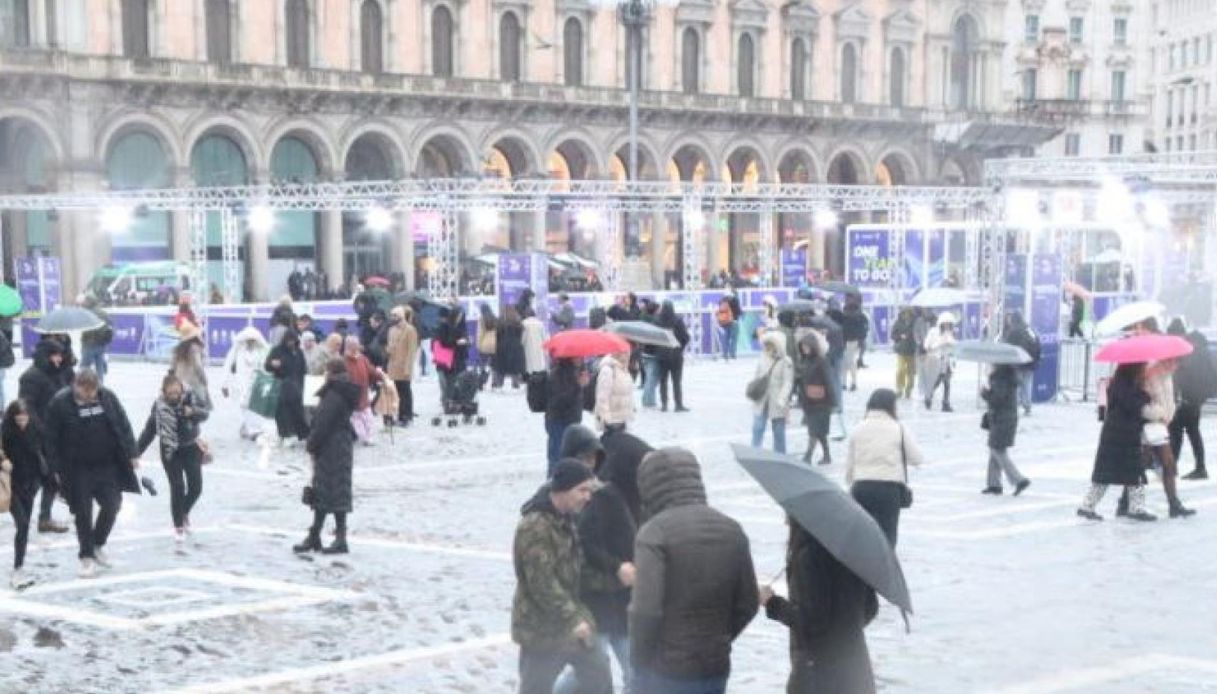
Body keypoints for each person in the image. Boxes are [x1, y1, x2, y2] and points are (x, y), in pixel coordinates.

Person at [630, 448, 758, 694]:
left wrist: (640, 659)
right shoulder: (731, 529)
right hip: (715, 665)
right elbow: (748, 603)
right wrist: (720, 639)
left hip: (665, 669)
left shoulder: (654, 533)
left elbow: (645, 610)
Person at [511, 460, 611, 694]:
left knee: (599, 678)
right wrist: (574, 619)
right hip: (542, 631)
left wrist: (615, 579)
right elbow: (542, 584)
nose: (588, 497)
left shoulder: (566, 519)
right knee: (536, 688)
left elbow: (578, 569)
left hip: (572, 626)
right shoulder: (534, 527)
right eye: (582, 490)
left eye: (590, 490)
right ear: (563, 489)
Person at [555, 425, 638, 694]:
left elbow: (628, 538)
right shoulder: (560, 501)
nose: (589, 464)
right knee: (592, 673)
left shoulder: (608, 493)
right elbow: (579, 545)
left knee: (634, 671)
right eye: (584, 458)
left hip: (620, 598)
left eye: (593, 458)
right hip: (592, 600)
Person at [760, 518, 880, 694]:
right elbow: (871, 608)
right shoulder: (852, 552)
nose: (785, 522)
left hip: (816, 672)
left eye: (788, 516)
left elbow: (812, 622)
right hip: (855, 668)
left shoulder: (807, 556)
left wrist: (772, 603)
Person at [43, 369, 140, 578]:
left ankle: (97, 543)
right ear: (75, 385)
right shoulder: (60, 403)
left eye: (92, 391)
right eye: (84, 391)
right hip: (77, 468)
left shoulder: (107, 397)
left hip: (107, 465)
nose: (89, 396)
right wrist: (54, 469)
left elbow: (123, 424)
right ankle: (86, 556)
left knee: (113, 504)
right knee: (83, 512)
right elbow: (49, 439)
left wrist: (132, 453)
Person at [136, 373, 210, 548]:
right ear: (164, 392)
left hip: (191, 447)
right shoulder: (159, 407)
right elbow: (149, 430)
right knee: (177, 487)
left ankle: (183, 512)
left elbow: (205, 413)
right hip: (170, 450)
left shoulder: (190, 398)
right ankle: (178, 526)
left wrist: (192, 412)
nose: (175, 396)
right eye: (171, 394)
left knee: (196, 487)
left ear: (182, 390)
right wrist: (136, 452)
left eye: (177, 392)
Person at [294, 359, 360, 555]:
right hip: (341, 446)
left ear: (331, 373)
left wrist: (311, 444)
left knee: (326, 491)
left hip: (330, 448)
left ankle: (334, 539)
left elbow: (322, 424)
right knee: (334, 492)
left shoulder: (333, 395)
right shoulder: (343, 391)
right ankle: (320, 535)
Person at [1077, 363, 1157, 522]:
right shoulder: (1124, 387)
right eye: (1141, 368)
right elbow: (1133, 404)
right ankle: (1136, 508)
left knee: (1109, 474)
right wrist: (1146, 395)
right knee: (1134, 472)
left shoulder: (1120, 384)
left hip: (1115, 435)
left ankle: (1087, 506)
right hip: (1123, 436)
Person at [846, 389, 925, 546]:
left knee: (862, 536)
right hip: (888, 490)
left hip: (861, 487)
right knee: (887, 537)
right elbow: (917, 458)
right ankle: (884, 569)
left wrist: (852, 484)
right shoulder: (898, 428)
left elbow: (850, 464)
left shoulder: (858, 428)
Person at [18, 337, 73, 534]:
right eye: (56, 355)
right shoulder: (31, 376)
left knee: (50, 478)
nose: (59, 359)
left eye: (60, 355)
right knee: (34, 480)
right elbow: (26, 406)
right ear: (47, 355)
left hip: (55, 436)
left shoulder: (57, 374)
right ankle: (24, 516)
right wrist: (40, 428)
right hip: (37, 437)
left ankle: (44, 518)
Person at [1138, 358, 1195, 518]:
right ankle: (1127, 502)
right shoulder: (1148, 374)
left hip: (1161, 424)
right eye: (1172, 362)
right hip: (1149, 423)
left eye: (1176, 363)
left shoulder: (1168, 376)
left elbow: (1168, 400)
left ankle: (1173, 504)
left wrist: (1169, 413)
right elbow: (1140, 402)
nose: (1175, 366)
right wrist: (1158, 413)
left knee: (1165, 464)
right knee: (1148, 464)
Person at [3, 399, 44, 589]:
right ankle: (17, 568)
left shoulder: (36, 430)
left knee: (25, 527)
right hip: (12, 486)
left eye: (24, 418)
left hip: (30, 483)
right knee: (22, 522)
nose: (22, 423)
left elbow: (43, 453)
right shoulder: (5, 432)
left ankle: (19, 566)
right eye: (18, 419)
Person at [1168, 319, 1215, 480]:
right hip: (1197, 396)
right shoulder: (1197, 346)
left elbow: (1184, 374)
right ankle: (1200, 468)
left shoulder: (1188, 348)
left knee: (1176, 430)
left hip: (1189, 397)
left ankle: (1172, 467)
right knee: (1192, 431)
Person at [980, 365, 1031, 496]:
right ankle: (994, 484)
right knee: (994, 449)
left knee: (997, 449)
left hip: (1002, 419)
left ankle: (1019, 479)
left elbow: (997, 400)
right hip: (1003, 418)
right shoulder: (1005, 375)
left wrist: (984, 391)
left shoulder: (1000, 378)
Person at [750, 332, 795, 454]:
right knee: (757, 427)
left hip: (777, 401)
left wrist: (782, 398)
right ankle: (754, 452)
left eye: (771, 345)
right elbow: (757, 376)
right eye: (766, 345)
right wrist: (754, 391)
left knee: (778, 430)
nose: (768, 348)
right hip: (762, 399)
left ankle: (780, 455)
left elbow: (788, 382)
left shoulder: (786, 361)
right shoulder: (763, 358)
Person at [222, 326, 269, 441]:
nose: (250, 342)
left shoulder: (261, 350)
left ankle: (254, 430)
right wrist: (224, 384)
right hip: (241, 382)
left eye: (253, 340)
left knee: (256, 407)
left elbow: (266, 367)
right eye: (248, 340)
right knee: (244, 405)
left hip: (256, 381)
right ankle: (250, 428)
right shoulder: (237, 350)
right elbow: (227, 365)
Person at [796, 333, 836, 465]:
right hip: (808, 401)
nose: (805, 349)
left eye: (807, 346)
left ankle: (808, 456)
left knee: (814, 430)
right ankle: (827, 455)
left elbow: (829, 380)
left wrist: (833, 402)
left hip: (821, 401)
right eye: (803, 347)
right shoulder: (804, 360)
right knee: (819, 431)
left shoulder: (821, 361)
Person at [265, 331, 310, 446]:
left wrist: (302, 384)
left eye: (293, 341)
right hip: (280, 386)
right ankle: (284, 434)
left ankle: (301, 434)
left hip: (296, 387)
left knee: (297, 412)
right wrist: (272, 364)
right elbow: (267, 366)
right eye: (289, 341)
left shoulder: (298, 352)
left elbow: (303, 369)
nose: (291, 343)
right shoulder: (277, 350)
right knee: (281, 413)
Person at [545, 357, 586, 476]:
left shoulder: (576, 372)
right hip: (558, 421)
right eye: (577, 355)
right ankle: (552, 486)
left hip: (573, 420)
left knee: (570, 457)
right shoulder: (557, 374)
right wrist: (578, 386)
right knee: (556, 458)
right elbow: (559, 401)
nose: (580, 358)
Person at [342, 336, 383, 446]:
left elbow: (371, 371)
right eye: (353, 346)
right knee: (356, 418)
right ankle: (364, 437)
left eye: (357, 345)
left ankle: (369, 436)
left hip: (364, 393)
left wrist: (381, 376)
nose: (356, 348)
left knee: (368, 416)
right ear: (347, 346)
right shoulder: (343, 361)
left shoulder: (363, 359)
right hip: (351, 394)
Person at [385, 306, 420, 426]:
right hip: (393, 365)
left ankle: (406, 416)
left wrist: (408, 368)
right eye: (392, 315)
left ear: (401, 316)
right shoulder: (391, 330)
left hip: (404, 366)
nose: (392, 318)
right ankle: (396, 415)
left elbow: (412, 351)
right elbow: (389, 345)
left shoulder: (410, 330)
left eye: (395, 315)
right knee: (394, 392)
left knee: (405, 392)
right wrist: (388, 350)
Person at [654, 301, 690, 413]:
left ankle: (664, 404)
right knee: (676, 381)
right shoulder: (678, 320)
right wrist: (680, 348)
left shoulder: (657, 321)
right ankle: (678, 404)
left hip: (661, 355)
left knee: (663, 381)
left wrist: (658, 349)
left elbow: (653, 338)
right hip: (676, 355)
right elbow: (686, 337)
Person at [1003, 312, 1041, 416]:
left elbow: (1007, 346)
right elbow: (1037, 343)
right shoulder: (1029, 330)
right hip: (1030, 362)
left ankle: (1014, 406)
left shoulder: (1014, 331)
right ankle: (1027, 406)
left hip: (1018, 362)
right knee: (1027, 384)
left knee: (1016, 385)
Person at [170, 322, 212, 411]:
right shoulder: (195, 348)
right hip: (193, 384)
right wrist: (204, 379)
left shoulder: (177, 349)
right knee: (196, 411)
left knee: (181, 409)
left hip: (179, 384)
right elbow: (198, 366)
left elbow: (172, 368)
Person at [434, 301, 469, 403]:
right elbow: (444, 342)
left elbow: (465, 338)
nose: (460, 318)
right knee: (449, 381)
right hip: (448, 358)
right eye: (459, 316)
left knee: (457, 380)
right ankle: (447, 399)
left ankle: (455, 399)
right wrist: (457, 342)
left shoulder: (462, 326)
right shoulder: (445, 326)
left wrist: (466, 342)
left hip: (459, 357)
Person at [595, 349, 635, 434]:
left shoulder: (623, 368)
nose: (627, 355)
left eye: (628, 352)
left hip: (622, 419)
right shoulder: (608, 369)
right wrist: (606, 419)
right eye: (624, 352)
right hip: (612, 421)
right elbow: (602, 397)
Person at [923, 313, 957, 412]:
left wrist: (951, 343)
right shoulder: (933, 332)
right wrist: (940, 344)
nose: (947, 326)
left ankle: (945, 403)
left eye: (949, 324)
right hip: (935, 360)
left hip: (947, 361)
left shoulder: (951, 333)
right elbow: (927, 346)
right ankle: (928, 396)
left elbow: (954, 346)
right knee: (937, 381)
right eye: (945, 323)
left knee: (947, 383)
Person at [80, 295, 114, 384]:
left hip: (89, 343)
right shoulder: (103, 313)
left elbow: (85, 328)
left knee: (84, 367)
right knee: (99, 367)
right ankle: (100, 385)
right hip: (101, 344)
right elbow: (110, 325)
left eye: (85, 301)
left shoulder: (87, 313)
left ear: (89, 302)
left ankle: (81, 384)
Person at [840, 299, 868, 392]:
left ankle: (847, 383)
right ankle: (852, 382)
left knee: (846, 362)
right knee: (850, 362)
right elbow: (864, 331)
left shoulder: (844, 317)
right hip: (853, 341)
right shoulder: (861, 317)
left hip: (846, 341)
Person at [495, 306, 526, 390]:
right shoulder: (518, 322)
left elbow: (497, 335)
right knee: (515, 367)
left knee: (501, 367)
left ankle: (499, 384)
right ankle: (515, 383)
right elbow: (521, 334)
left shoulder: (500, 321)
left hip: (502, 346)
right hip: (515, 345)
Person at [890, 308, 918, 399]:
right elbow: (892, 336)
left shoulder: (915, 323)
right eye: (904, 314)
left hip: (912, 351)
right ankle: (899, 388)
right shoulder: (898, 323)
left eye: (908, 314)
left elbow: (918, 333)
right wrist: (900, 336)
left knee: (911, 372)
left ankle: (909, 389)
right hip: (901, 350)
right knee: (901, 369)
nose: (906, 316)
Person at [477, 303, 499, 387]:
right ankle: (495, 382)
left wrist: (478, 345)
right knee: (494, 365)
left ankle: (482, 381)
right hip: (495, 344)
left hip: (485, 344)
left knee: (483, 364)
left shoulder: (482, 319)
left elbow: (480, 333)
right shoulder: (495, 318)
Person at [523, 310, 549, 376]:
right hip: (539, 347)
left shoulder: (524, 323)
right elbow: (544, 337)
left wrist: (521, 345)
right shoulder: (540, 323)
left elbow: (523, 337)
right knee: (539, 363)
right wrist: (546, 350)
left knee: (529, 363)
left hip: (528, 347)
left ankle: (529, 376)